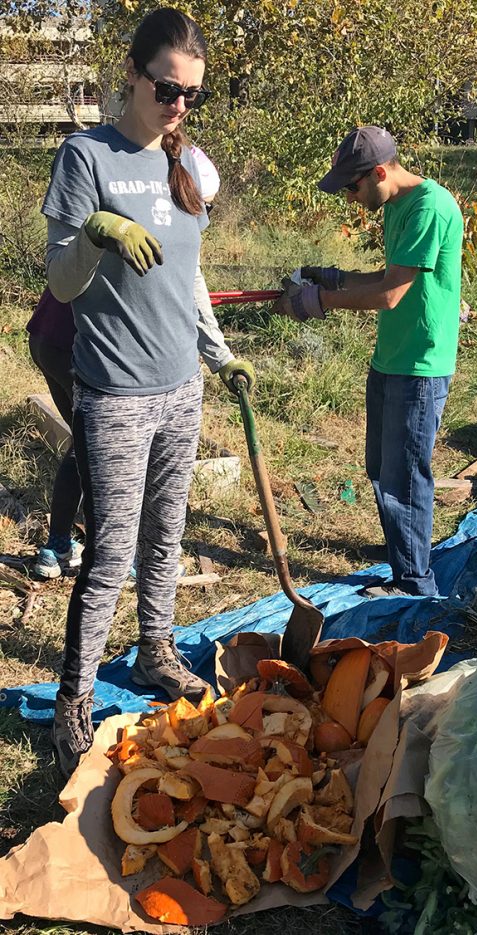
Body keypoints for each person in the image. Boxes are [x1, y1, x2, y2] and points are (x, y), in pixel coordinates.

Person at [41, 7, 254, 777]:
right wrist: (97, 230)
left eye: (192, 94)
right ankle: (74, 698)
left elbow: (189, 272)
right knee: (109, 553)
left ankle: (157, 649)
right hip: (116, 391)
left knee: (166, 536)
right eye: (167, 88)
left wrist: (219, 353)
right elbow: (60, 282)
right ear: (132, 75)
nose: (178, 105)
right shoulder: (85, 157)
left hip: (180, 386)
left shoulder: (186, 161)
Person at [28, 145, 242, 581]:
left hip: (48, 336)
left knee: (84, 446)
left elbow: (188, 291)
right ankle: (112, 555)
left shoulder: (148, 206)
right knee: (109, 452)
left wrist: (220, 356)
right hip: (78, 343)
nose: (203, 217)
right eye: (204, 207)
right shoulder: (143, 214)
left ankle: (58, 547)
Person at [275, 126, 462, 599]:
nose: (351, 197)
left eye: (353, 186)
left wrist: (316, 301)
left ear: (380, 171)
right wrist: (333, 278)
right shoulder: (398, 205)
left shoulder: (429, 206)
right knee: (380, 468)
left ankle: (414, 584)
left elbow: (390, 294)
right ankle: (404, 552)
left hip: (419, 363)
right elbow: (387, 273)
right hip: (391, 358)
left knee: (404, 475)